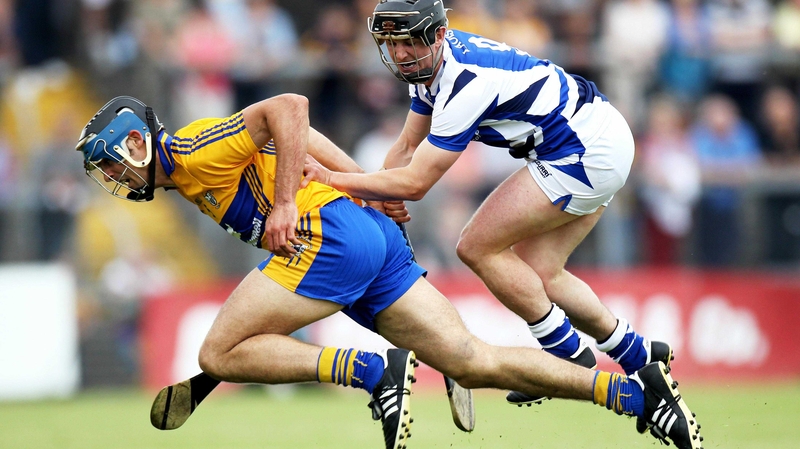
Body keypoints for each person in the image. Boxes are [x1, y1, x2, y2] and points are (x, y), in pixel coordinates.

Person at [75, 94, 702, 449]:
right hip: (361, 231)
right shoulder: (189, 171)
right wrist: (368, 190)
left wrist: (291, 202)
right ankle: (636, 396)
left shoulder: (191, 149)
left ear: (134, 144)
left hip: (330, 239)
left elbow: (290, 110)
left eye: (109, 165)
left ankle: (373, 370)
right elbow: (306, 137)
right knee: (472, 360)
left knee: (218, 353)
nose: (111, 180)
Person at [302, 0, 692, 445]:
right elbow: (405, 150)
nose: (402, 53)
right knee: (544, 273)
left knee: (476, 246)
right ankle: (640, 354)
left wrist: (338, 179)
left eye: (411, 41)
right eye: (392, 42)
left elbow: (416, 182)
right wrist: (382, 194)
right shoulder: (431, 68)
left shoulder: (463, 82)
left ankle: (569, 361)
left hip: (584, 151)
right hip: (597, 133)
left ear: (439, 35)